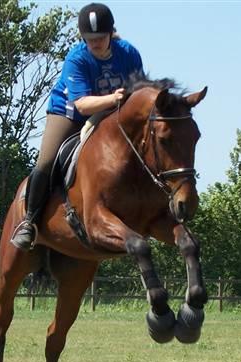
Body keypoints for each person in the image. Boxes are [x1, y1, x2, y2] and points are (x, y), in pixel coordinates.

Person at [10, 2, 144, 250]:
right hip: (69, 113)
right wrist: (113, 98)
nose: (95, 43)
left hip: (111, 114)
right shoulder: (77, 57)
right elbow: (82, 104)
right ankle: (29, 222)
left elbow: (138, 92)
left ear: (111, 33)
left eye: (100, 38)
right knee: (46, 162)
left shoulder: (129, 54)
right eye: (89, 38)